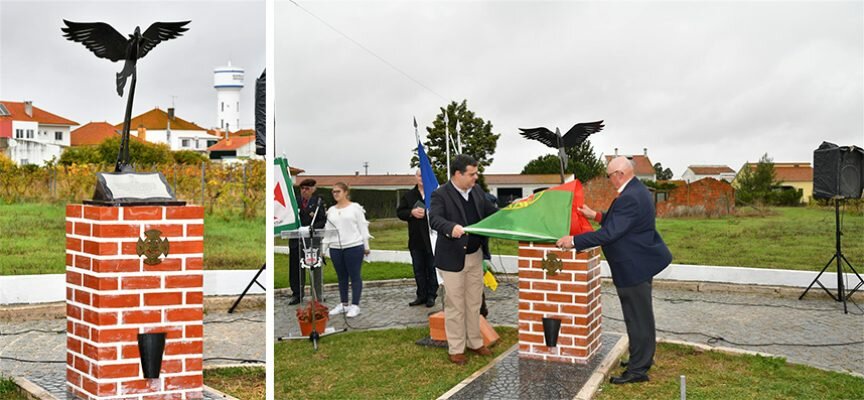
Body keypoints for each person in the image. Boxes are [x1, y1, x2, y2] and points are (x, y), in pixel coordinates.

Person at [556, 156, 672, 384]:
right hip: (639, 263)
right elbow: (621, 221)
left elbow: (610, 233)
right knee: (641, 317)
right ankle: (642, 358)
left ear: (620, 174)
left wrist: (574, 241)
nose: (610, 181)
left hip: (633, 266)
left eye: (610, 176)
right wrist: (596, 215)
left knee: (637, 319)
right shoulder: (638, 191)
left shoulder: (630, 197)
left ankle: (638, 371)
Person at [429, 154, 498, 365]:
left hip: (475, 257)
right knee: (456, 305)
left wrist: (513, 212)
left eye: (476, 173)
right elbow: (435, 219)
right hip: (452, 260)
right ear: (458, 174)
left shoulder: (476, 191)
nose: (475, 177)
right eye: (472, 174)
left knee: (474, 302)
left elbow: (491, 213)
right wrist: (451, 228)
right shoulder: (440, 194)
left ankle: (475, 342)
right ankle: (456, 348)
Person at [324, 182, 371, 318]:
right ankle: (343, 303)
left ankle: (355, 305)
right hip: (336, 248)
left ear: (345, 192)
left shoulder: (355, 208)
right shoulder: (331, 210)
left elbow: (363, 227)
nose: (335, 194)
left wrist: (366, 246)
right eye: (333, 192)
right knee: (341, 277)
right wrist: (324, 247)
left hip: (353, 246)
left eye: (338, 191)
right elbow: (328, 230)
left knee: (354, 275)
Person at [396, 169, 438, 308]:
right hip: (416, 239)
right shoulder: (408, 195)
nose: (421, 178)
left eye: (424, 175)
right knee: (418, 269)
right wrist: (411, 212)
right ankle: (421, 295)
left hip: (432, 239)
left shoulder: (436, 194)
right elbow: (400, 212)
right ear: (415, 177)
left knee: (432, 268)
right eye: (419, 175)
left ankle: (432, 295)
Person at [288, 179, 326, 305]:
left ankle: (317, 294)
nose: (304, 191)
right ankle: (297, 294)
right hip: (296, 239)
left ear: (313, 189)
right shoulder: (294, 201)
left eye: (307, 188)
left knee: (314, 266)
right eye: (302, 188)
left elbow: (322, 220)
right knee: (296, 267)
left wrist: (312, 229)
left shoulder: (318, 202)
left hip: (311, 239)